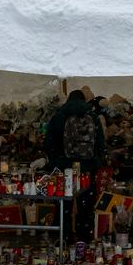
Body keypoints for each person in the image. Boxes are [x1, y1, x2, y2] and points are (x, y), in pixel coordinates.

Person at [47, 89, 106, 242]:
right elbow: (100, 142)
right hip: (87, 167)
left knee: (64, 202)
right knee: (85, 203)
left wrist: (54, 161)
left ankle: (63, 236)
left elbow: (49, 142)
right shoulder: (92, 116)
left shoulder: (59, 116)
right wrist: (97, 161)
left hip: (64, 166)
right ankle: (84, 236)